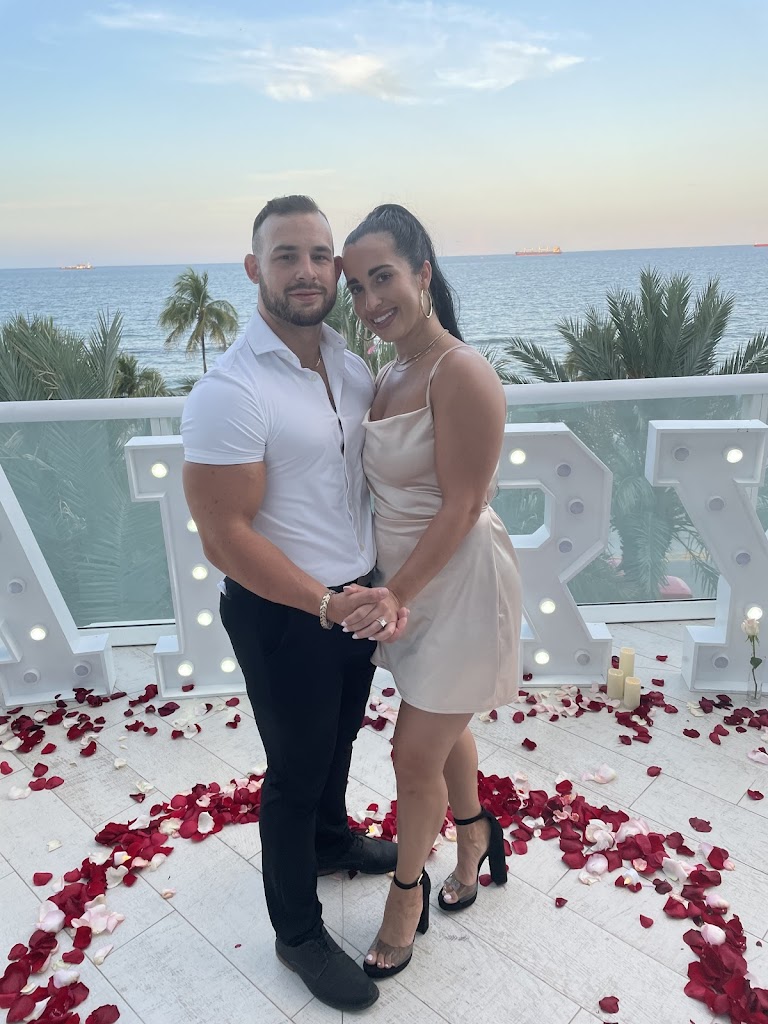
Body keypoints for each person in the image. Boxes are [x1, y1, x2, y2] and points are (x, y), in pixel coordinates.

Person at [180, 195, 406, 1012]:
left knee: (340, 737)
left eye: (320, 256)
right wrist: (322, 603)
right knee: (296, 769)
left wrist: (366, 590)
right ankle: (297, 932)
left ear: (336, 271)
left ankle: (331, 841)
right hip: (286, 614)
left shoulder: (350, 365)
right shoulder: (230, 391)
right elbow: (224, 536)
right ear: (255, 271)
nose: (307, 272)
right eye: (286, 256)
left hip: (353, 598)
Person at [340, 204, 522, 978]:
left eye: (382, 277)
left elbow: (464, 504)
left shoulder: (463, 372)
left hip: (457, 586)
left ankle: (406, 895)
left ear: (422, 272)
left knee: (412, 755)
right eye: (355, 286)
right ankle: (476, 831)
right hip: (407, 591)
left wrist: (394, 594)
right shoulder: (386, 376)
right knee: (439, 728)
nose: (369, 300)